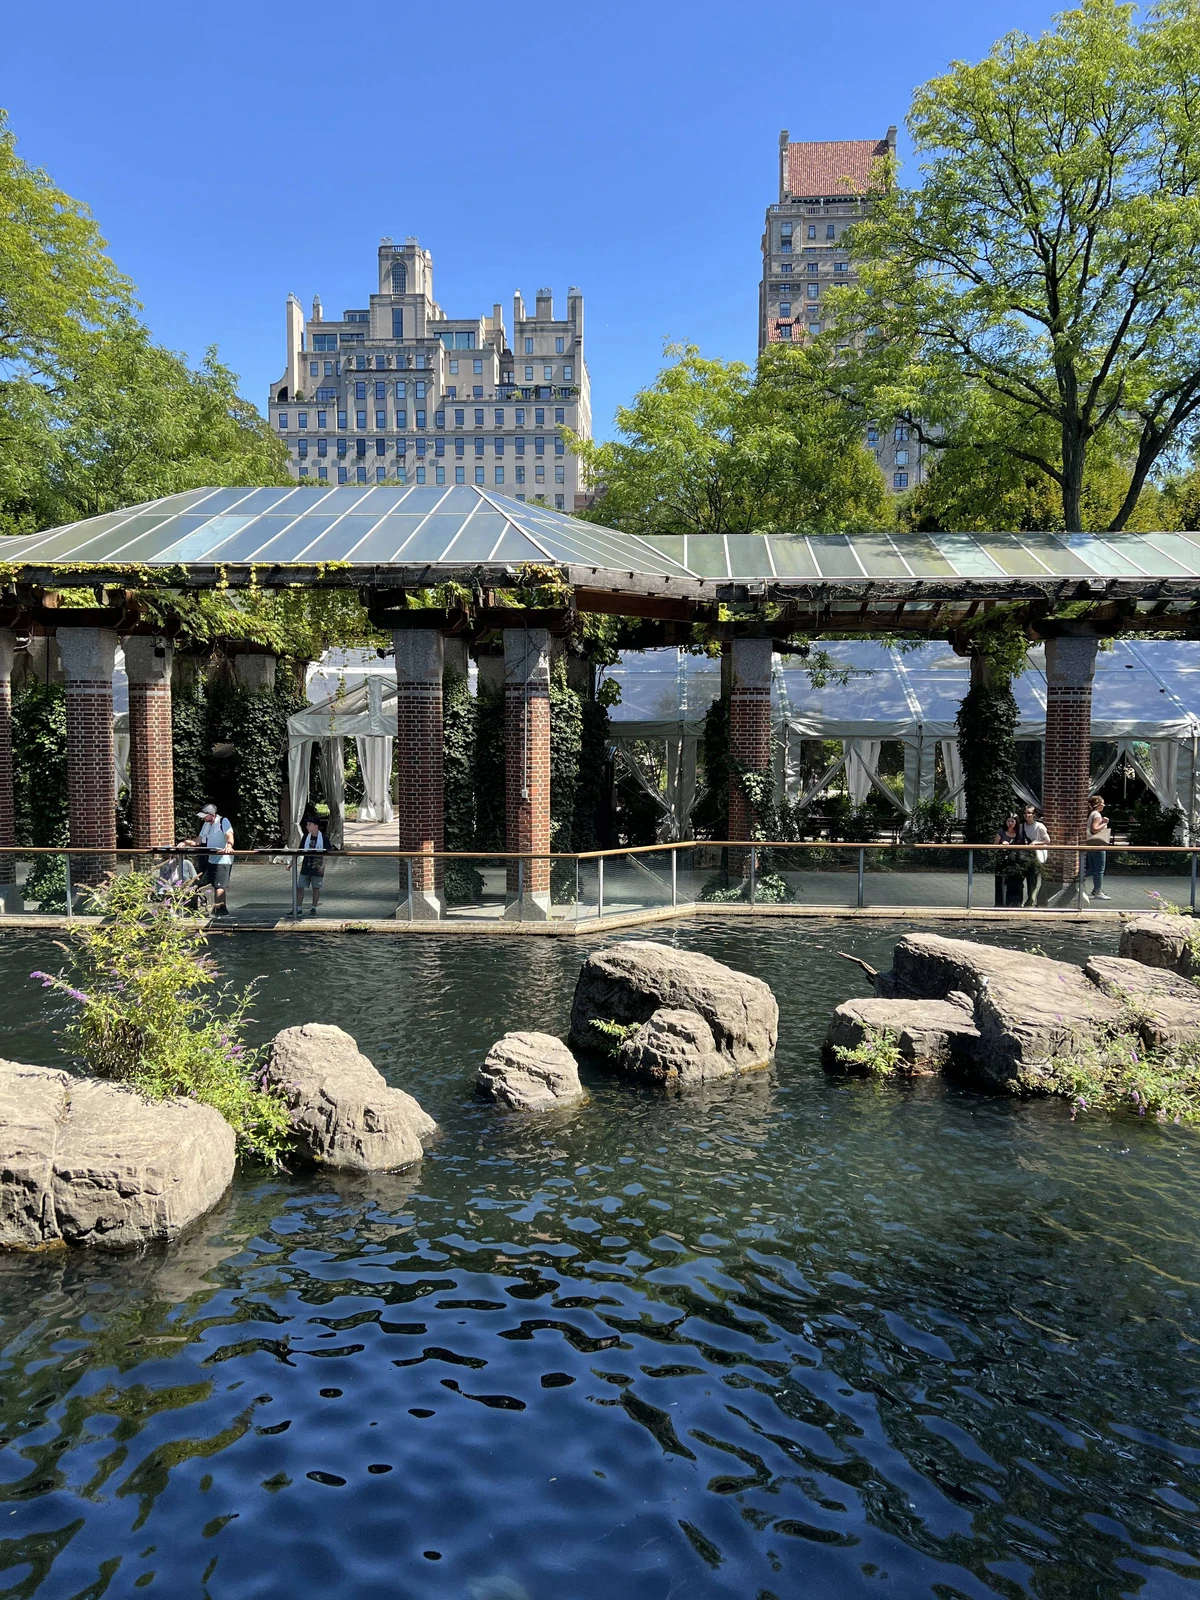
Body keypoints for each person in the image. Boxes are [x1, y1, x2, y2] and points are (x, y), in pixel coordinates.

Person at [183, 804, 235, 917]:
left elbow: (229, 835)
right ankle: (213, 907)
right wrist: (186, 843)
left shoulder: (223, 821)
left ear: (212, 815)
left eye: (205, 816)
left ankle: (220, 909)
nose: (203, 818)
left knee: (219, 885)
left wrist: (229, 845)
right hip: (211, 859)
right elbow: (198, 840)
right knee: (204, 882)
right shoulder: (206, 825)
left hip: (223, 859)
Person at [1017, 804, 1051, 906]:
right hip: (1023, 855)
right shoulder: (1021, 826)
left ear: (1034, 814)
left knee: (1032, 881)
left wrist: (1036, 843)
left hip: (1034, 856)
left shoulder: (1039, 826)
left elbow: (1047, 840)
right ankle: (1019, 901)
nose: (1027, 815)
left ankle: (1030, 902)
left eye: (1029, 813)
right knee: (1019, 879)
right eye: (1025, 813)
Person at [1084, 794, 1111, 900]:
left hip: (1091, 845)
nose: (1104, 805)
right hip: (1097, 845)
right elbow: (1094, 829)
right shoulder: (1097, 815)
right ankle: (1098, 891)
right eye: (1103, 803)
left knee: (1092, 868)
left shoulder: (1091, 814)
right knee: (1099, 869)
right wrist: (1104, 823)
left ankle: (1094, 888)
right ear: (1098, 804)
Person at [297, 816, 327, 914]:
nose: (307, 826)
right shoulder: (306, 837)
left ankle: (314, 908)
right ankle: (298, 908)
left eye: (309, 824)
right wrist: (291, 864)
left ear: (316, 826)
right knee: (300, 887)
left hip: (317, 864)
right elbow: (299, 851)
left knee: (316, 887)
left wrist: (323, 865)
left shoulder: (323, 837)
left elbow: (327, 853)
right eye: (307, 825)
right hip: (306, 864)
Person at [994, 814, 1024, 907]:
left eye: (1012, 821)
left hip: (1015, 862)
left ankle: (1013, 903)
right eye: (1008, 821)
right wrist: (1001, 844)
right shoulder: (1001, 832)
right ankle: (999, 904)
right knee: (1000, 882)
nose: (1010, 823)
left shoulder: (1019, 833)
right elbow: (994, 845)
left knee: (1015, 883)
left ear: (1016, 822)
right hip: (1002, 860)